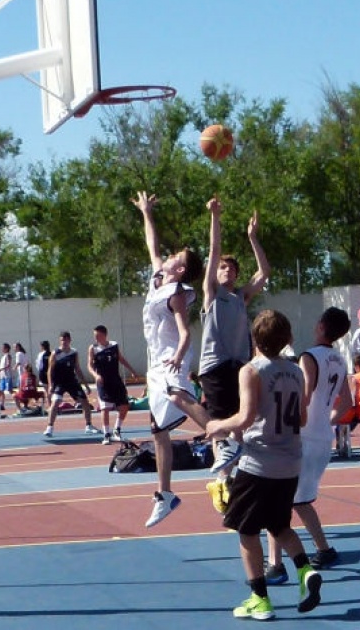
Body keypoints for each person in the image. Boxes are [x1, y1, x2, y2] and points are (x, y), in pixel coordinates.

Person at [133, 190, 243, 528]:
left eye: (174, 256)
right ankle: (165, 495)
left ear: (179, 268)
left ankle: (222, 442)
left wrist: (179, 356)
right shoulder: (157, 280)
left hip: (170, 358)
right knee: (158, 430)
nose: (166, 256)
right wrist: (146, 213)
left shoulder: (177, 293)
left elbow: (184, 333)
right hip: (156, 365)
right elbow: (152, 246)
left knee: (178, 395)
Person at [204, 309, 323, 619]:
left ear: (253, 338)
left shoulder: (251, 370)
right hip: (290, 461)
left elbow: (244, 418)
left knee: (246, 531)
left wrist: (218, 425)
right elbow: (302, 417)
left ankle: (260, 598)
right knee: (279, 524)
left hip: (260, 462)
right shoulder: (297, 371)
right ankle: (305, 569)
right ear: (287, 339)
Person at [265, 306, 351, 584]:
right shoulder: (340, 359)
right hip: (323, 438)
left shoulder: (309, 357)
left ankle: (275, 565)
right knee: (300, 500)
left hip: (302, 436)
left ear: (321, 326)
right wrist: (326, 420)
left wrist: (288, 426)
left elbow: (302, 397)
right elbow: (347, 403)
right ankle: (324, 549)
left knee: (276, 500)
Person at [199, 196, 270, 510]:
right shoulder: (212, 295)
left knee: (240, 423)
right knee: (219, 423)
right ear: (216, 274)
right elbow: (213, 252)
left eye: (232, 268)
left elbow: (264, 273)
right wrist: (215, 217)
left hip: (240, 366)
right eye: (223, 268)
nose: (226, 270)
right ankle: (220, 479)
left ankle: (231, 479)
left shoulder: (240, 297)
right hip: (215, 365)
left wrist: (253, 238)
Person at [88, 324, 140, 444]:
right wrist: (96, 376)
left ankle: (117, 430)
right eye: (94, 336)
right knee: (105, 408)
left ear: (105, 335)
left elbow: (121, 359)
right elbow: (89, 365)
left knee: (125, 406)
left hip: (116, 380)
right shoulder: (93, 348)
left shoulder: (114, 345)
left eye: (98, 336)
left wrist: (132, 371)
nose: (96, 338)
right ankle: (106, 434)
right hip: (103, 381)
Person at [43, 331, 99, 437]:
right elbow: (50, 370)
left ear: (69, 340)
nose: (63, 342)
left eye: (65, 339)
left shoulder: (74, 353)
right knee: (55, 403)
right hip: (59, 382)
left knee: (84, 402)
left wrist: (86, 385)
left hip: (72, 381)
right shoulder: (55, 353)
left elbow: (77, 368)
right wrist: (50, 385)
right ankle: (49, 427)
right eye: (61, 340)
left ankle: (89, 426)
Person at [0, 343, 14, 412]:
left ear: (6, 348)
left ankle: (20, 399)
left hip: (7, 376)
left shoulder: (8, 356)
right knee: (1, 390)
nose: (2, 349)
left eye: (3, 348)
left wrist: (0, 369)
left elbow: (8, 365)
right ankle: (2, 404)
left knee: (10, 390)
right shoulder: (3, 356)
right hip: (2, 376)